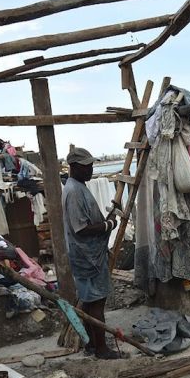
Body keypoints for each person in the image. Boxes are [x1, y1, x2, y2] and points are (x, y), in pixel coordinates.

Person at [61, 147, 121, 359]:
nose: (90, 170)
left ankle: (92, 344)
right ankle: (102, 349)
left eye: (91, 165)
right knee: (97, 302)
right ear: (74, 167)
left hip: (87, 255)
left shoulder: (76, 186)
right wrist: (108, 225)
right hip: (87, 257)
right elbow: (82, 228)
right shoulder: (74, 191)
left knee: (89, 301)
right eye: (87, 166)